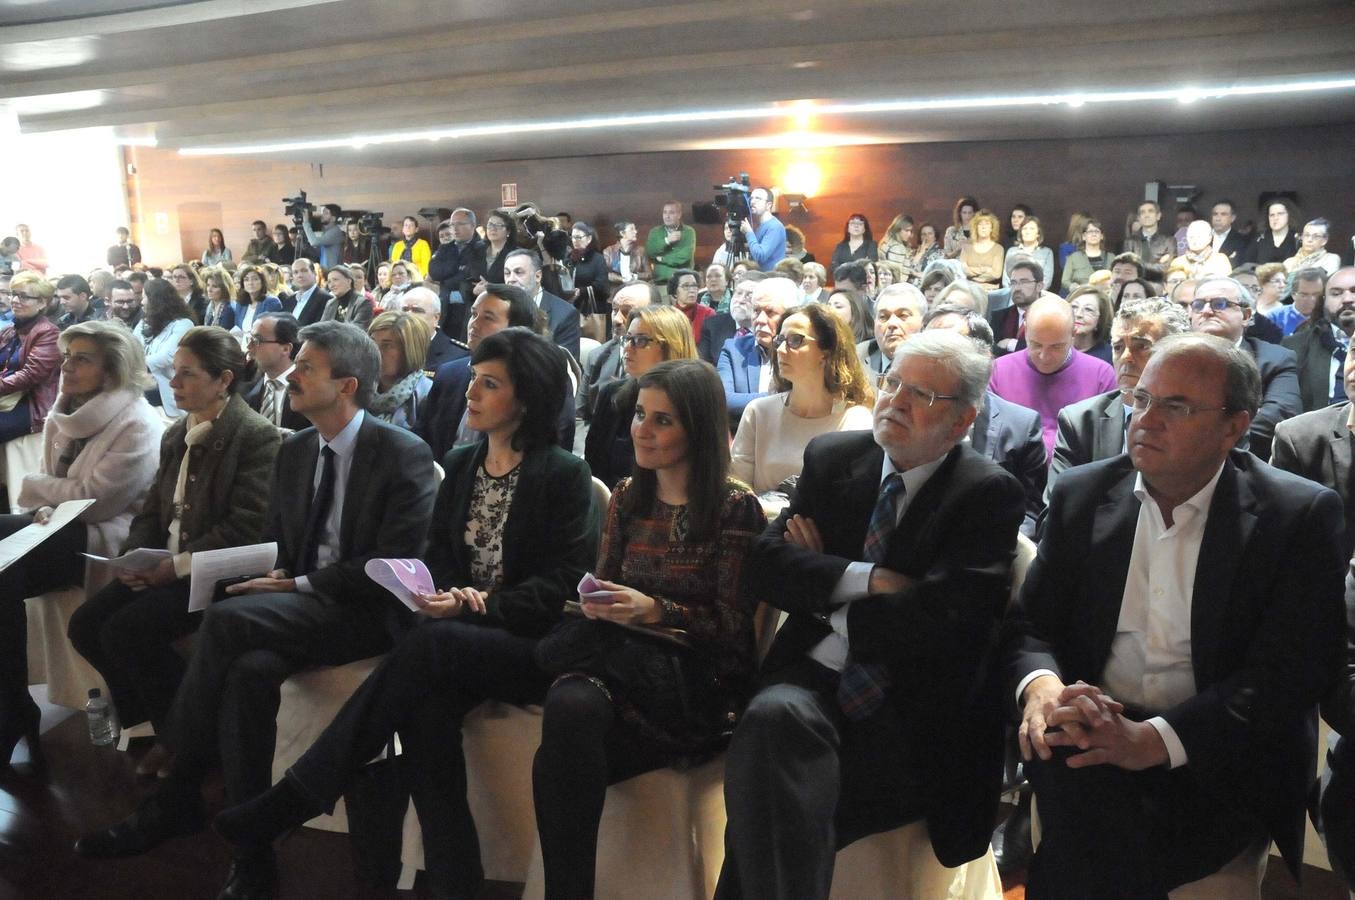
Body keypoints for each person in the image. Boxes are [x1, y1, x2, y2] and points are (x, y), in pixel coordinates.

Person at [213, 326, 592, 898]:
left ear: (526, 399)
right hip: (458, 635)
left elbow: (564, 585)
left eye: (489, 385)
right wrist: (437, 592)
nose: (471, 394)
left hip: (527, 643)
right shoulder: (462, 462)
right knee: (424, 715)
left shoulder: (562, 472)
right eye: (474, 381)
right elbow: (438, 560)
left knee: (427, 648)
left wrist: (481, 601)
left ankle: (303, 791)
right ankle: (452, 879)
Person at [74, 321, 438, 899]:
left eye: (308, 369)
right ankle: (254, 853)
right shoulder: (296, 449)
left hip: (367, 613)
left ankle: (178, 788)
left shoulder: (401, 454)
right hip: (297, 605)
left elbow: (389, 566)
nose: (291, 376)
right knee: (247, 674)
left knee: (226, 620)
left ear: (347, 386)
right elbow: (279, 542)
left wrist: (295, 586)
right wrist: (276, 577)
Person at [1004, 332, 1345, 899]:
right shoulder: (1083, 494)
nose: (1146, 419)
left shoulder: (1296, 514)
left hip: (1216, 747)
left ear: (1235, 427)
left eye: (1176, 406)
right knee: (1084, 806)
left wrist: (1156, 740)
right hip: (1094, 736)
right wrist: (1042, 688)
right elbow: (1030, 626)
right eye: (1140, 399)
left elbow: (1291, 671)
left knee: (1097, 847)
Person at [716, 329, 1025, 899]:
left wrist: (825, 582)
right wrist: (869, 579)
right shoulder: (834, 459)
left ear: (962, 421)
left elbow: (946, 627)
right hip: (813, 680)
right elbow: (763, 569)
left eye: (923, 396)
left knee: (775, 775)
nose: (896, 402)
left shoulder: (986, 493)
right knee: (773, 720)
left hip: (910, 705)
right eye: (893, 383)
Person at [534, 358, 766, 899]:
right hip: (618, 661)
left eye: (663, 420)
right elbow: (607, 587)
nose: (642, 429)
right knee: (571, 712)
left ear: (699, 429)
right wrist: (604, 606)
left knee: (562, 748)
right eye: (640, 414)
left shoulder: (734, 508)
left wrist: (656, 610)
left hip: (694, 677)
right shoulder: (626, 498)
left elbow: (735, 631)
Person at [68, 326, 278, 773]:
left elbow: (245, 527)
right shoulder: (176, 432)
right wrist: (134, 557)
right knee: (86, 625)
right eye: (173, 373)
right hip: (164, 565)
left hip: (217, 572)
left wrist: (176, 567)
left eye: (187, 374)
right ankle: (160, 721)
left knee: (125, 630)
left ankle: (184, 739)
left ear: (223, 380)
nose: (175, 383)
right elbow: (152, 511)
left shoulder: (256, 437)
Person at [0, 320, 163, 771]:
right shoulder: (65, 410)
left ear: (111, 371)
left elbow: (95, 500)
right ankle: (13, 707)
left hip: (109, 537)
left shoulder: (137, 421)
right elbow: (68, 489)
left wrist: (36, 486)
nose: (67, 365)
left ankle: (13, 713)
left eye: (81, 359)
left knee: (5, 573)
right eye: (68, 355)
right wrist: (49, 496)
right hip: (59, 524)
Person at [731, 303, 874, 511]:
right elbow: (737, 490)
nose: (780, 349)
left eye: (795, 340)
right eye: (779, 340)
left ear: (826, 352)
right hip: (759, 533)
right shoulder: (758, 412)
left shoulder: (856, 421)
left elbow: (851, 504)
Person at [922, 306, 1046, 535]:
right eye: (927, 345)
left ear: (985, 359)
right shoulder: (903, 410)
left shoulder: (1021, 426)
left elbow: (1029, 512)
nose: (932, 356)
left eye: (946, 346)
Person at [1049, 298, 1191, 498]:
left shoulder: (1199, 417)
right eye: (1117, 347)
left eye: (1141, 346)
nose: (1125, 357)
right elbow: (1057, 509)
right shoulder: (1080, 421)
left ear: (1179, 353)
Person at [421, 284, 574, 460]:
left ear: (517, 328)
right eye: (473, 314)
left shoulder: (541, 381)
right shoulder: (449, 373)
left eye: (488, 318)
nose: (474, 324)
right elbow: (423, 438)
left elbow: (552, 452)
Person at [990, 296, 1117, 460]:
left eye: (1056, 347)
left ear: (1073, 334)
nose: (1044, 356)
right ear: (1025, 331)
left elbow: (1106, 446)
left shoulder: (1101, 375)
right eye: (1035, 344)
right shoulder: (998, 370)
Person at [586, 306, 696, 489]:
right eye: (628, 339)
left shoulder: (694, 400)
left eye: (640, 340)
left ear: (671, 345)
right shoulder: (611, 394)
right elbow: (594, 466)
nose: (628, 347)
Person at [1190, 276, 1299, 459]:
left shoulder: (1276, 359)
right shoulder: (1173, 359)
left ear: (1246, 316)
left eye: (1219, 303)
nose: (1206, 311)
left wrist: (1207, 438)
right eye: (1198, 305)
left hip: (1246, 463)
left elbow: (1279, 415)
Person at [717, 276, 797, 425]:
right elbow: (722, 400)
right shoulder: (734, 349)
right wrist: (781, 398)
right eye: (756, 311)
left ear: (790, 316)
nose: (760, 320)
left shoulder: (802, 351)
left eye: (770, 312)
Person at [1283, 266, 1355, 413]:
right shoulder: (1295, 347)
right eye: (1336, 293)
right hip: (1318, 432)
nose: (1347, 299)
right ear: (1324, 301)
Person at [586, 281, 658, 417]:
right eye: (614, 310)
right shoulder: (596, 356)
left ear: (655, 314)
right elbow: (579, 417)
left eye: (628, 311)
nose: (617, 320)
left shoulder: (669, 361)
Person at [136, 280, 198, 418]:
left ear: (156, 300)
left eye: (145, 297)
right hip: (144, 387)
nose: (142, 302)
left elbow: (168, 356)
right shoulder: (143, 323)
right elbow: (132, 347)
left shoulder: (183, 324)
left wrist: (136, 364)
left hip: (168, 391)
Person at [367, 311, 432, 432]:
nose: (375, 351)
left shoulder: (428, 394)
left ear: (410, 351)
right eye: (372, 342)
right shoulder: (357, 388)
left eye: (387, 346)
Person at [427, 209, 487, 341]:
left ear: (472, 225)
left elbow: (473, 274)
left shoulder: (482, 247)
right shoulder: (445, 247)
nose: (455, 228)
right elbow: (434, 272)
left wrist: (448, 277)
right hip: (446, 305)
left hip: (468, 305)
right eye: (453, 225)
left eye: (460, 224)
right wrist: (457, 268)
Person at [243, 313, 307, 432]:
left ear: (285, 349)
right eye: (250, 338)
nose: (249, 346)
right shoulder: (246, 388)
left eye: (257, 340)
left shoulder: (310, 392)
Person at [857, 283, 925, 377]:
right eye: (883, 317)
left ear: (923, 323)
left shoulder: (937, 365)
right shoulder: (856, 358)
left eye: (903, 316)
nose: (892, 323)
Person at [698, 271, 760, 367]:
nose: (740, 300)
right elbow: (703, 368)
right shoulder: (712, 326)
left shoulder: (768, 329)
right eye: (738, 293)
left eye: (749, 296)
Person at [564, 222, 612, 326]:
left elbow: (602, 286)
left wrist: (581, 291)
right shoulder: (568, 258)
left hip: (590, 310)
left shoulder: (597, 259)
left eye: (578, 237)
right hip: (569, 308)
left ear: (589, 239)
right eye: (572, 237)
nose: (574, 240)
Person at [645, 201, 697, 283]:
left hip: (682, 281)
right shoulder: (654, 232)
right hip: (660, 281)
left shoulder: (688, 232)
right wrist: (667, 241)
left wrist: (661, 258)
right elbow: (650, 252)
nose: (667, 216)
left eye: (671, 213)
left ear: (679, 215)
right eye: (665, 212)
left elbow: (684, 257)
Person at [741, 187, 787, 272]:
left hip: (770, 279)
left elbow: (760, 256)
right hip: (762, 278)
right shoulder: (762, 226)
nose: (752, 202)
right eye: (751, 198)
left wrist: (748, 232)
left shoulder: (775, 226)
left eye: (758, 198)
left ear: (768, 205)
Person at [231, 264, 284, 338]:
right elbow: (237, 328)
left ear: (262, 282)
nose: (250, 283)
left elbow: (269, 331)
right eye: (246, 280)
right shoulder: (241, 303)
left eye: (255, 279)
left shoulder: (271, 302)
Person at [1061, 219, 1113, 293]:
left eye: (1097, 231)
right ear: (1084, 236)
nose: (1094, 234)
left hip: (1104, 298)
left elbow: (1116, 280)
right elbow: (1065, 281)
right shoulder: (1073, 258)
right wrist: (1076, 288)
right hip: (1081, 296)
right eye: (1090, 232)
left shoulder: (1111, 257)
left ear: (1101, 236)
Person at [1244, 199, 1299, 265]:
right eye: (1272, 215)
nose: (1275, 218)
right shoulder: (1259, 239)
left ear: (1289, 215)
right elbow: (1247, 265)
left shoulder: (1297, 239)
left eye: (1280, 214)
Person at [1004, 217, 1055, 289]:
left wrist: (1033, 294)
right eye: (1025, 229)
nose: (1028, 232)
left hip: (1038, 296)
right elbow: (1006, 280)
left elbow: (1047, 281)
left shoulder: (1047, 252)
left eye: (1032, 229)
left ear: (1038, 233)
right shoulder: (1012, 251)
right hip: (1014, 294)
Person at [1122, 201, 1175, 270]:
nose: (1146, 215)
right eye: (1142, 212)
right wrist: (1158, 264)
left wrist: (1138, 264)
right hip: (1136, 280)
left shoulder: (1169, 241)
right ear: (1139, 218)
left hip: (1159, 280)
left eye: (1151, 211)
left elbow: (1167, 268)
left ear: (1158, 216)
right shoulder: (1130, 242)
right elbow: (1128, 267)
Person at [1069, 285, 1114, 364]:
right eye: (1074, 307)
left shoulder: (1109, 356)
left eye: (1088, 309)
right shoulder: (1050, 345)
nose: (1078, 314)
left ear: (1100, 320)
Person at [280, 256, 330, 327]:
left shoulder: (326, 300)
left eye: (304, 271)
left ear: (314, 273)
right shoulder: (289, 301)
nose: (299, 275)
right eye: (295, 272)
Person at [320, 264, 374, 329]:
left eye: (335, 280)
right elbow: (321, 328)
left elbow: (356, 330)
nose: (332, 285)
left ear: (349, 281)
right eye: (329, 282)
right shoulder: (330, 303)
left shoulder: (363, 303)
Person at [960, 210, 1004, 286]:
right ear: (976, 227)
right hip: (968, 287)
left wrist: (972, 270)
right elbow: (963, 270)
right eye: (980, 224)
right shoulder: (966, 247)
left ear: (992, 228)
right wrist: (986, 269)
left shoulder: (998, 249)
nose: (983, 227)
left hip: (990, 289)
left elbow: (996, 274)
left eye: (987, 224)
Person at [602, 220, 651, 286]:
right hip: (616, 289)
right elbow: (604, 274)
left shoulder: (640, 251)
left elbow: (649, 274)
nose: (636, 232)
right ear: (622, 233)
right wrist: (621, 279)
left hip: (636, 288)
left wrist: (636, 276)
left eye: (635, 229)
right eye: (632, 229)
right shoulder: (608, 251)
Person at [1207, 199, 1248, 265]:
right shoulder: (1202, 237)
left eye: (1223, 214)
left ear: (1232, 218)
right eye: (1215, 214)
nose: (1218, 218)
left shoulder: (1241, 240)